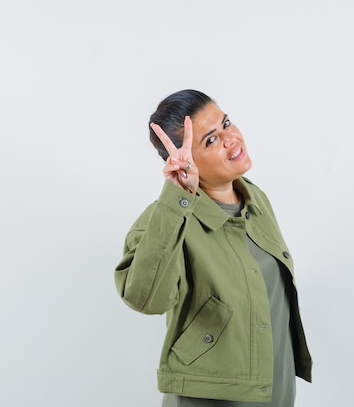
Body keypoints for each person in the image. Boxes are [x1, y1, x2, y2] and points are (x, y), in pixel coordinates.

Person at [114, 89, 312, 407]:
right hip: (211, 399)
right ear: (183, 159)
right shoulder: (164, 218)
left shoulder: (255, 200)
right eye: (210, 140)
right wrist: (177, 197)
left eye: (227, 123)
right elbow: (145, 299)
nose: (230, 138)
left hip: (274, 392)